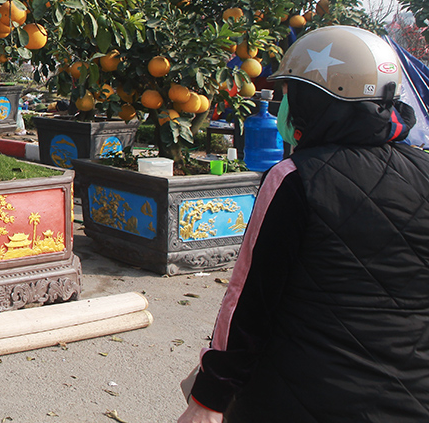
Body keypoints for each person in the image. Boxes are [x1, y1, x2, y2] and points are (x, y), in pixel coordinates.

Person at [178, 25, 429, 422]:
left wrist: (209, 398)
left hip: (298, 397)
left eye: (291, 96)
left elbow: (249, 301)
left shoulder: (295, 178)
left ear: (317, 104)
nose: (283, 108)